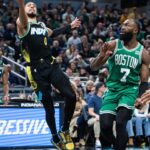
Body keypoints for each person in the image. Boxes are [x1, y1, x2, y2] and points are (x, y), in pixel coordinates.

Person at [16, 1, 81, 150]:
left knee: (71, 95)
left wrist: (69, 26)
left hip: (51, 65)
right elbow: (23, 19)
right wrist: (21, 4)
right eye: (29, 5)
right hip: (36, 72)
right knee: (49, 107)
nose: (32, 6)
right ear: (24, 10)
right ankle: (55, 137)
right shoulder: (22, 22)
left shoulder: (42, 26)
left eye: (33, 5)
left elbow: (54, 33)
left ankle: (64, 130)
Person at [91, 19, 150, 150]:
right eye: (122, 25)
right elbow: (94, 67)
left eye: (127, 25)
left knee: (120, 123)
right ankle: (118, 146)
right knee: (105, 126)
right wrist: (101, 55)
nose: (123, 27)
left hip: (129, 90)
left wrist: (140, 97)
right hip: (111, 90)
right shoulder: (113, 45)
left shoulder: (143, 53)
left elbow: (144, 81)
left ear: (135, 30)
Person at [87, 82, 105, 148]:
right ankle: (97, 140)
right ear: (99, 88)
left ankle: (114, 140)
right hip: (92, 118)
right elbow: (90, 112)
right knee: (98, 120)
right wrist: (96, 115)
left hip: (104, 117)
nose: (105, 88)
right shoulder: (92, 98)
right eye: (103, 87)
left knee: (114, 121)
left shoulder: (105, 98)